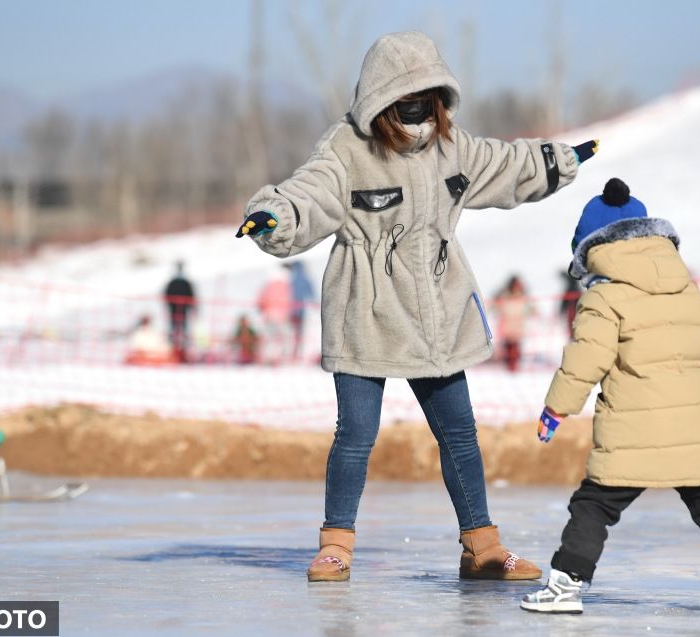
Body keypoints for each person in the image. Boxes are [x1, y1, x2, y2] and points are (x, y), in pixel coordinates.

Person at [236, 31, 581, 582]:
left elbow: (505, 164)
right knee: (355, 435)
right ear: (381, 102)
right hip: (365, 313)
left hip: (437, 314)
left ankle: (481, 546)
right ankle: (336, 546)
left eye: (427, 100)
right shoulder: (346, 150)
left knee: (460, 433)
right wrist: (275, 213)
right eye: (406, 103)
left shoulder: (453, 148)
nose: (418, 113)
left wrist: (555, 161)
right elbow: (311, 193)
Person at [521, 179, 700, 616]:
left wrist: (556, 407)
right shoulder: (683, 289)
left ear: (591, 248)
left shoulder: (604, 298)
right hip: (693, 432)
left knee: (595, 504)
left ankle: (565, 587)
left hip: (633, 430)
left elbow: (588, 357)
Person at [495, 275, 533, 372]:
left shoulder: (523, 298)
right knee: (509, 349)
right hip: (507, 327)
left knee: (515, 349)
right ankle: (509, 369)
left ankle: (514, 369)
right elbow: (497, 308)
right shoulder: (504, 297)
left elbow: (530, 309)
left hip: (517, 327)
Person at [256, 269, 294, 364]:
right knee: (285, 338)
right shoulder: (286, 286)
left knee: (270, 338)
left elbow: (260, 300)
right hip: (281, 317)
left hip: (270, 316)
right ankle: (283, 358)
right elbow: (289, 301)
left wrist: (262, 309)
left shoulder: (269, 285)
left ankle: (267, 358)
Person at [164, 261, 196, 362]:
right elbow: (167, 296)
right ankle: (174, 348)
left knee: (181, 329)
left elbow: (191, 296)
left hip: (182, 311)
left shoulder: (181, 282)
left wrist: (191, 307)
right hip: (176, 311)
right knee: (176, 329)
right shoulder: (178, 282)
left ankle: (183, 350)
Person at [285, 261, 316, 361]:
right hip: (301, 310)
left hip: (292, 311)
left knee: (292, 332)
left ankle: (294, 353)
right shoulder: (305, 279)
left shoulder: (292, 279)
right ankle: (297, 353)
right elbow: (311, 294)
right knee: (299, 333)